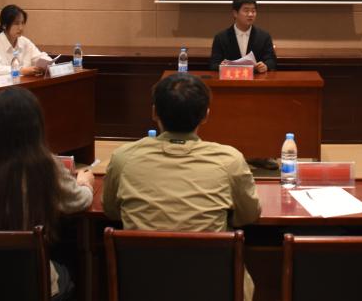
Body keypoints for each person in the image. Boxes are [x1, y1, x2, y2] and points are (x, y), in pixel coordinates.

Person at [102, 72, 261, 300]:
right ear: (206, 115)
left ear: (154, 112)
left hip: (143, 288)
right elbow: (249, 215)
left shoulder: (123, 158)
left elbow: (111, 210)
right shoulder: (229, 160)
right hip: (213, 289)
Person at [0, 87, 94, 299]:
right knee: (71, 261)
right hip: (33, 282)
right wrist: (85, 183)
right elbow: (80, 200)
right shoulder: (46, 166)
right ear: (36, 129)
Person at [209, 0, 277, 73]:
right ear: (235, 13)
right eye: (246, 11)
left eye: (253, 11)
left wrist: (265, 66)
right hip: (231, 78)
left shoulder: (264, 36)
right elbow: (213, 64)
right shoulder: (221, 37)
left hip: (256, 78)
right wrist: (221, 66)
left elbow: (271, 61)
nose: (250, 14)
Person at [0, 4, 46, 77]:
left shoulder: (25, 42)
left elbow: (39, 57)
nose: (21, 28)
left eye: (22, 23)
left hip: (24, 82)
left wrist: (49, 64)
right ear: (4, 25)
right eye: (16, 23)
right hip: (3, 83)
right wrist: (21, 71)